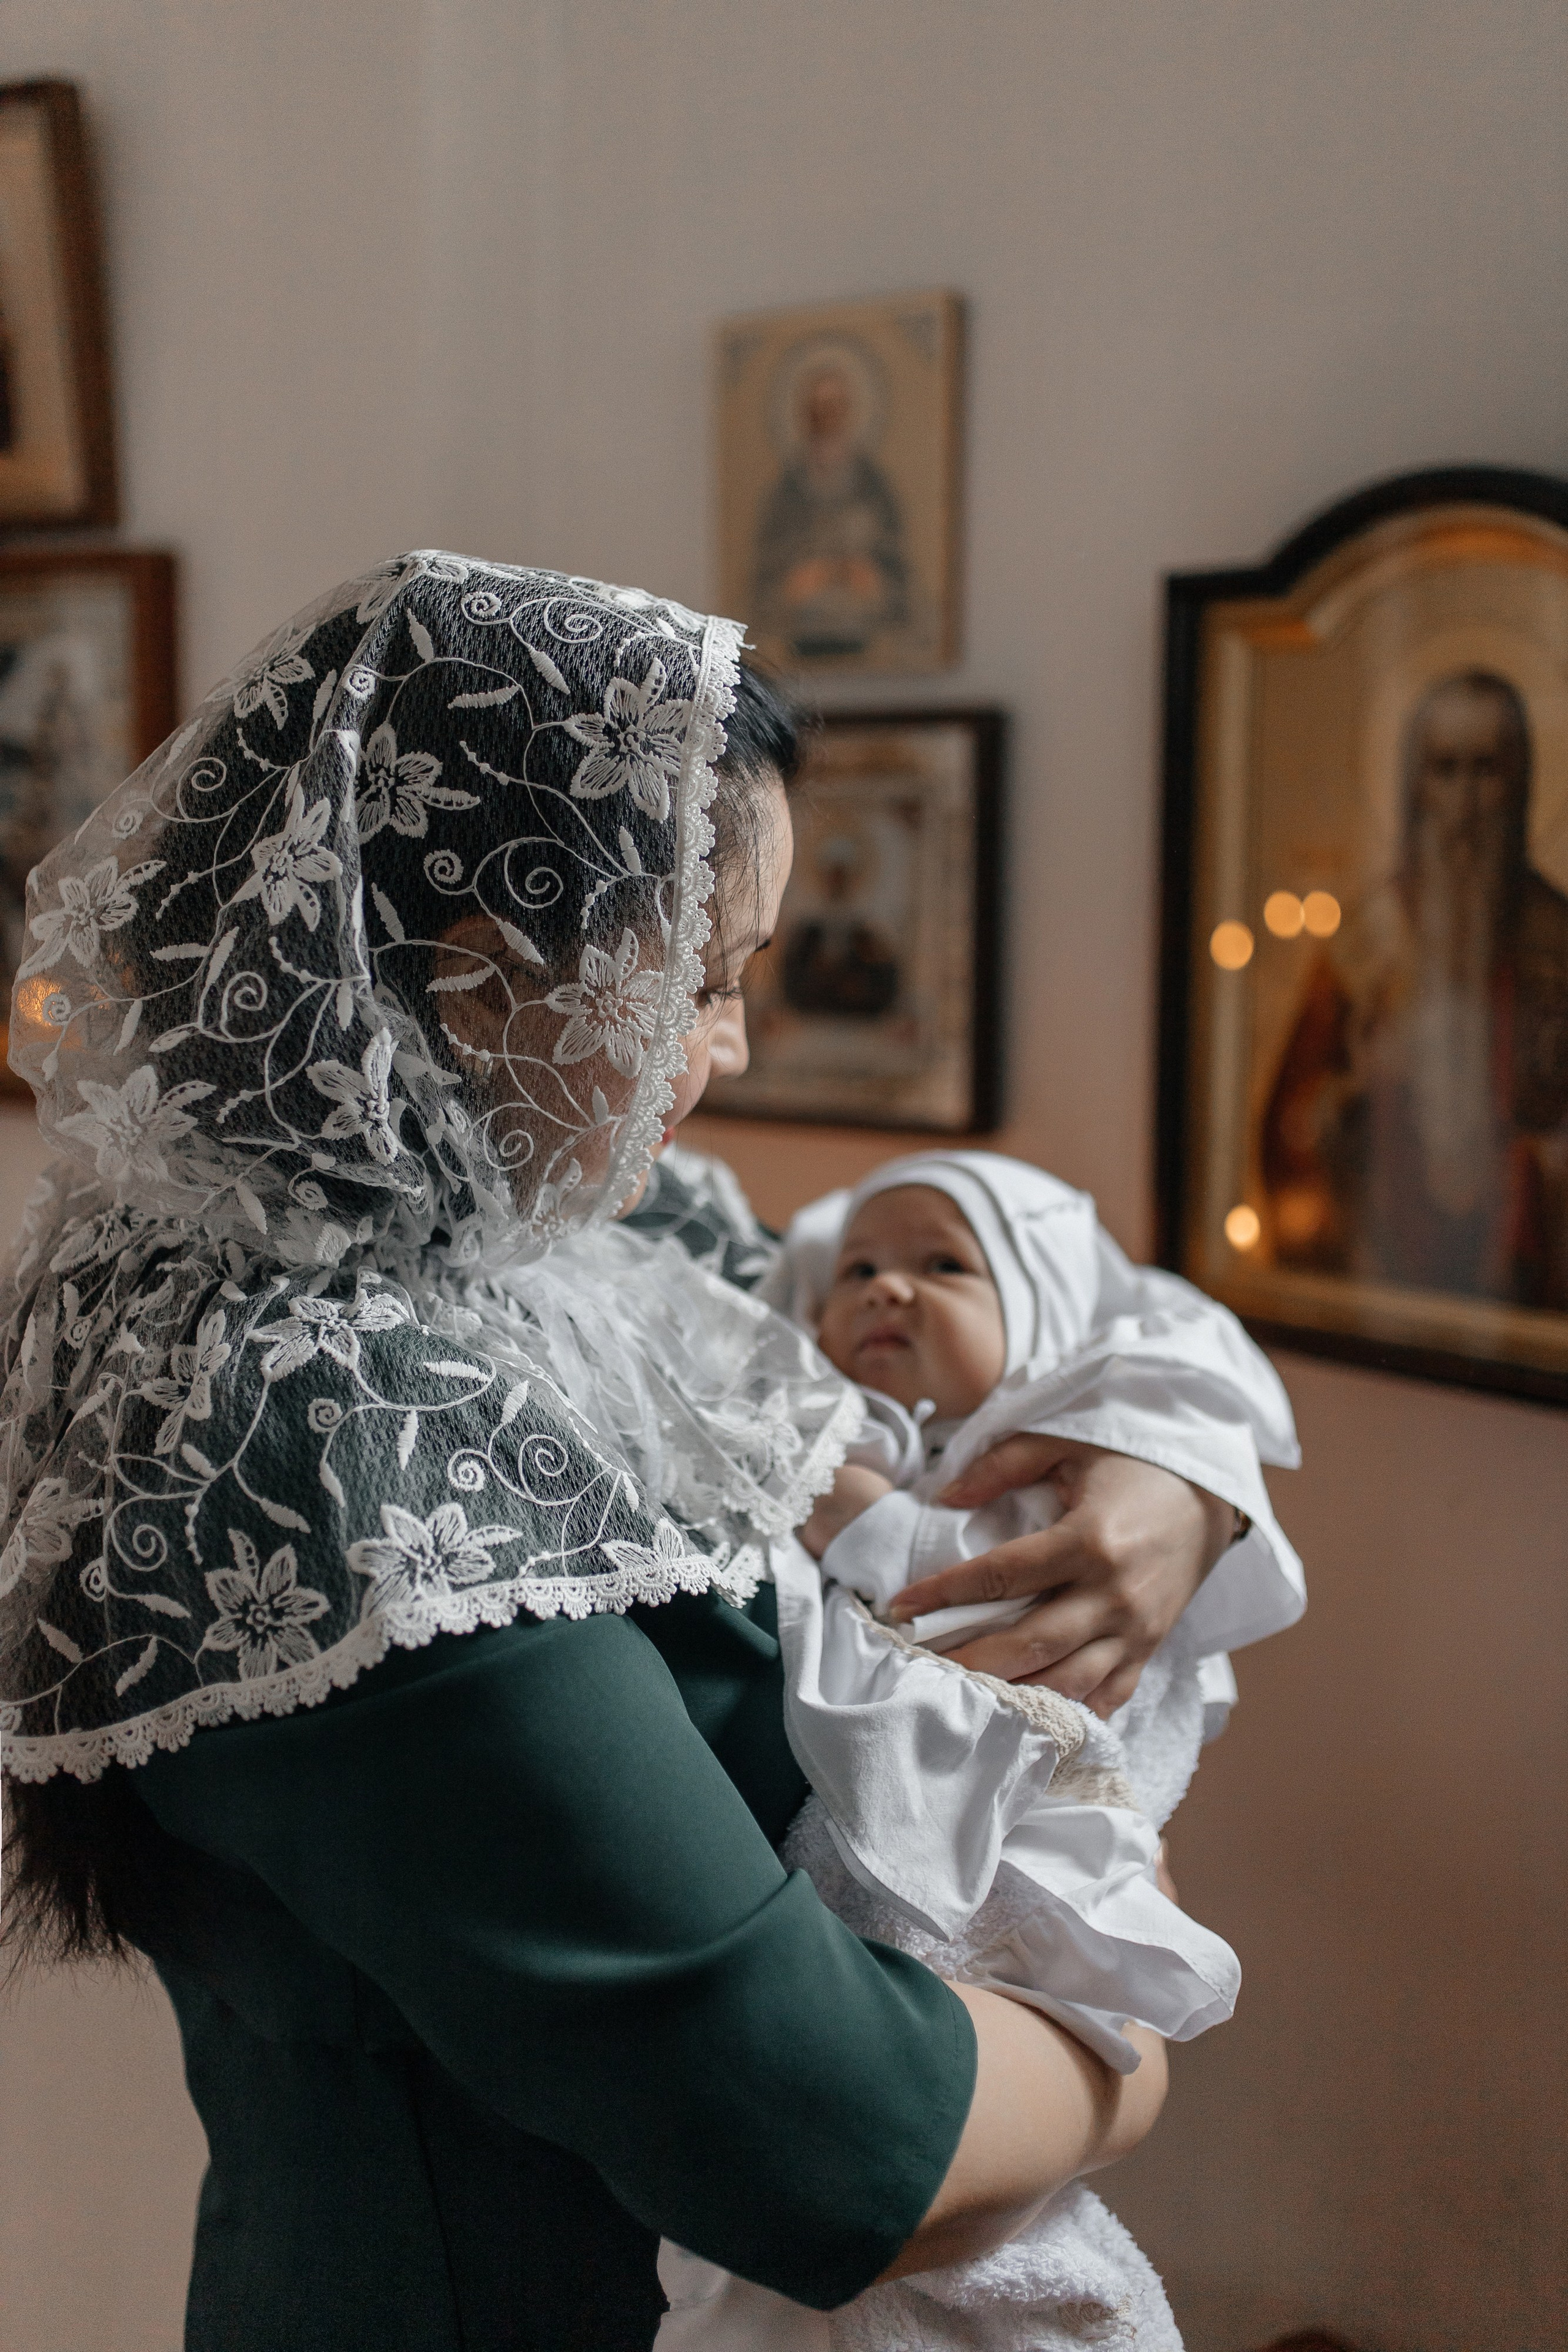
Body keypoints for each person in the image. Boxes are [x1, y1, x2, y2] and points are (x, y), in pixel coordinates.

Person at [0, 555, 1249, 2351]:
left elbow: (1076, 1298)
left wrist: (1161, 1479)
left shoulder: (535, 1221)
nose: (731, 1047)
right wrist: (1134, 2026)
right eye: (707, 980)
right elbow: (824, 2134)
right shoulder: (330, 1426)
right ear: (482, 981)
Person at [654, 1152, 1300, 2348]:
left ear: (1038, 1316)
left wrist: (864, 1521)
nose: (884, 1288)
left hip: (1024, 1846)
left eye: (942, 1266)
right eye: (857, 1270)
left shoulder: (1041, 1467)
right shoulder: (837, 1424)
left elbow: (989, 1619)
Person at [1261, 668, 1568, 1307]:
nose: (1464, 803)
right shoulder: (1363, 947)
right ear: (1415, 785)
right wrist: (1355, 1098)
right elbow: (1289, 1132)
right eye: (1444, 770)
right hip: (1386, 1280)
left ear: (1518, 784)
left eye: (1486, 771)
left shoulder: (1555, 941)